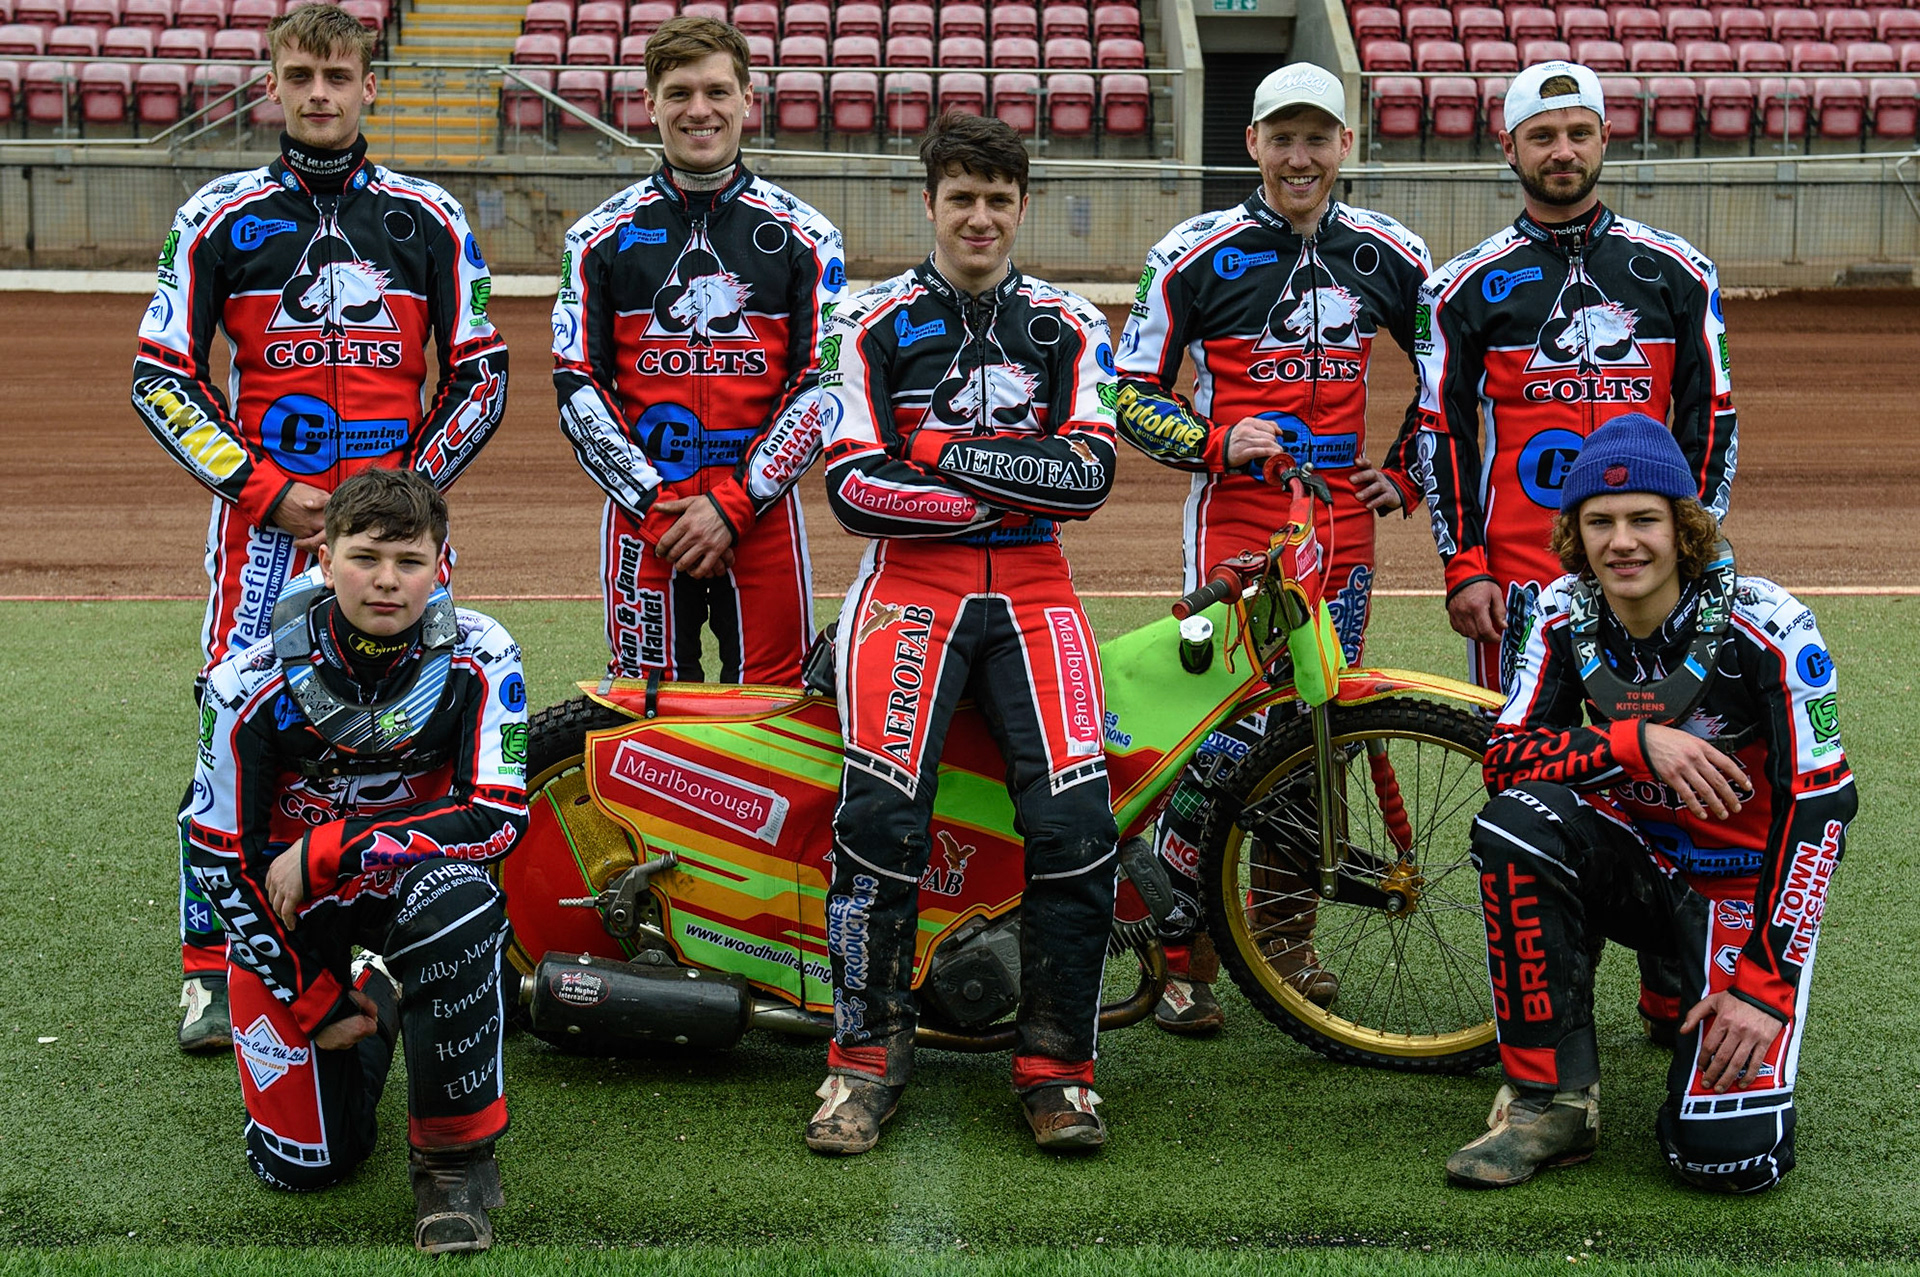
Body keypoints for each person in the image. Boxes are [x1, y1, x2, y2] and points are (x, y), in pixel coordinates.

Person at [134, 2, 509, 1053]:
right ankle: (217, 964)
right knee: (234, 730)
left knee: (428, 722)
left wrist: (395, 503)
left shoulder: (431, 214)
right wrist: (263, 489)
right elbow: (162, 376)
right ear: (272, 83)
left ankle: (409, 930)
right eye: (299, 74)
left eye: (338, 76)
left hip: (394, 533)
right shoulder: (215, 213)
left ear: (369, 85)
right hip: (265, 530)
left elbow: (481, 375)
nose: (318, 94)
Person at [804, 112, 1120, 1156]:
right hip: (906, 592)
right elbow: (853, 488)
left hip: (1038, 595)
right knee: (880, 825)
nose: (979, 216)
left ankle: (1057, 1068)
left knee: (1076, 830)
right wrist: (1004, 491)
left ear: (1021, 207)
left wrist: (935, 452)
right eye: (961, 197)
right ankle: (862, 1059)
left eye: (998, 199)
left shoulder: (1072, 321)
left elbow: (1090, 478)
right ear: (929, 203)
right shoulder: (868, 318)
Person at [1445, 416, 1855, 1193]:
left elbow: (1823, 807)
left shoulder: (1770, 625)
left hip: (1741, 886)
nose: (1621, 542)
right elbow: (1505, 760)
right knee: (1515, 824)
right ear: (1575, 532)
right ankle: (1552, 1100)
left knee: (1726, 1160)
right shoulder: (1564, 611)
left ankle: (1684, 984)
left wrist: (1764, 989)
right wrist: (1634, 744)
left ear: (1683, 528)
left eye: (1643, 519)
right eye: (1599, 522)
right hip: (1639, 864)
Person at [1115, 61, 1432, 1031]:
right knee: (1215, 733)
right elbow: (1127, 392)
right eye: (1281, 137)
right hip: (1239, 523)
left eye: (1318, 137)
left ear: (1346, 145)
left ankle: (1283, 940)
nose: (1300, 156)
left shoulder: (1393, 251)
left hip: (1342, 529)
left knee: (1318, 736)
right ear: (1252, 144)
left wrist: (1408, 468)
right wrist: (1215, 441)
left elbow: (1454, 377)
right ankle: (1185, 954)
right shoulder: (1193, 248)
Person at [182, 469, 527, 1251]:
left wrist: (335, 844)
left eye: (409, 560)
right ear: (325, 556)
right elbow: (214, 852)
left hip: (412, 892)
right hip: (291, 916)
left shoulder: (484, 652)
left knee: (462, 905)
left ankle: (452, 1164)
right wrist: (314, 1001)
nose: (386, 580)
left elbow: (499, 817)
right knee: (304, 1165)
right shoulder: (244, 680)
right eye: (365, 556)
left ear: (441, 563)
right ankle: (371, 998)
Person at [1386, 59, 1737, 698]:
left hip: (1649, 561)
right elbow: (1443, 435)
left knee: (1654, 758)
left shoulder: (1681, 271)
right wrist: (1464, 567)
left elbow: (1710, 416)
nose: (1563, 152)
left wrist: (1694, 541)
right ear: (1509, 148)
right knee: (1518, 756)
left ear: (1606, 136)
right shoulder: (1456, 289)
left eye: (1579, 133)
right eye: (1542, 136)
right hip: (1517, 576)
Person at [554, 15, 844, 686]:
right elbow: (577, 385)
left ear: (749, 100)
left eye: (717, 91)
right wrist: (657, 507)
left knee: (777, 714)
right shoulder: (594, 237)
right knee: (644, 719)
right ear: (649, 104)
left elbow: (821, 382)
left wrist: (734, 506)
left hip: (761, 516)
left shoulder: (808, 235)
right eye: (679, 92)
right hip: (643, 519)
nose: (699, 109)